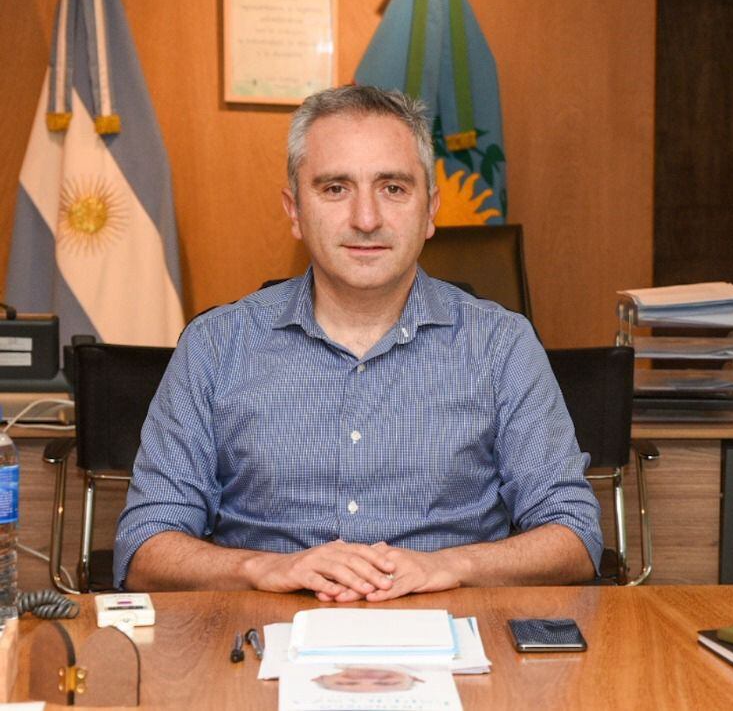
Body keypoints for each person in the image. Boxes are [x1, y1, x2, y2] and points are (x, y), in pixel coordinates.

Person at [114, 85, 602, 601]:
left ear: (430, 209)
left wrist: (449, 566)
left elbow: (574, 537)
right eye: (335, 189)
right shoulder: (215, 347)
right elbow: (144, 547)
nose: (366, 220)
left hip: (455, 635)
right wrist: (263, 568)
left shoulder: (501, 345)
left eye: (393, 188)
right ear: (295, 210)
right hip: (260, 640)